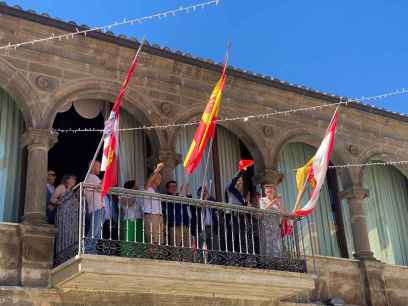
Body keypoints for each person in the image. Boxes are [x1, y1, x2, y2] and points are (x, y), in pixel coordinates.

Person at [51, 174, 77, 256]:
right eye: (72, 179)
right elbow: (52, 199)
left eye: (74, 180)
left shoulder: (73, 191)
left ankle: (70, 255)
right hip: (63, 216)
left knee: (71, 236)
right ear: (67, 180)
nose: (74, 181)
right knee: (63, 235)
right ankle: (61, 256)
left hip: (72, 218)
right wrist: (60, 203)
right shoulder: (62, 187)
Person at [259, 184, 287, 257]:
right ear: (265, 192)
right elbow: (263, 211)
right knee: (268, 245)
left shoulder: (276, 201)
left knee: (278, 245)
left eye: (270, 191)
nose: (269, 193)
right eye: (267, 191)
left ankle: (278, 262)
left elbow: (284, 213)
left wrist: (279, 204)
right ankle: (268, 262)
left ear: (273, 192)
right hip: (267, 226)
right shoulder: (262, 200)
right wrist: (272, 202)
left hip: (276, 227)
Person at [84, 161, 105, 253]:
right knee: (94, 230)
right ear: (91, 167)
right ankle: (88, 249)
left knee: (97, 232)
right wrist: (106, 177)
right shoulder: (92, 177)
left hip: (96, 207)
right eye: (97, 166)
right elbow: (100, 188)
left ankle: (91, 250)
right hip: (96, 208)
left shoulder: (90, 177)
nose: (99, 168)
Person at [119, 180, 144, 257]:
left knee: (139, 240)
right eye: (135, 185)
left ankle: (139, 256)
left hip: (139, 220)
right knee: (129, 239)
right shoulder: (122, 195)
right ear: (131, 187)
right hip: (129, 220)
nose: (137, 187)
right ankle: (127, 256)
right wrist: (135, 194)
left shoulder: (138, 195)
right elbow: (129, 203)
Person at [163, 180, 191, 248]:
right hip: (174, 226)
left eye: (175, 186)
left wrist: (186, 191)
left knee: (187, 248)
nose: (174, 188)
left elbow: (189, 203)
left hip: (185, 225)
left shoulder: (180, 196)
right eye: (172, 186)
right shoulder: (165, 197)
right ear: (167, 188)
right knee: (175, 248)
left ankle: (186, 259)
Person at [143, 162, 165, 245]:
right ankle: (152, 257)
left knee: (160, 241)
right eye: (158, 177)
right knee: (153, 241)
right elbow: (149, 181)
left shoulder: (157, 191)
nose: (160, 179)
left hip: (159, 216)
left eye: (160, 177)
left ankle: (157, 257)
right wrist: (157, 170)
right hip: (151, 216)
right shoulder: (147, 188)